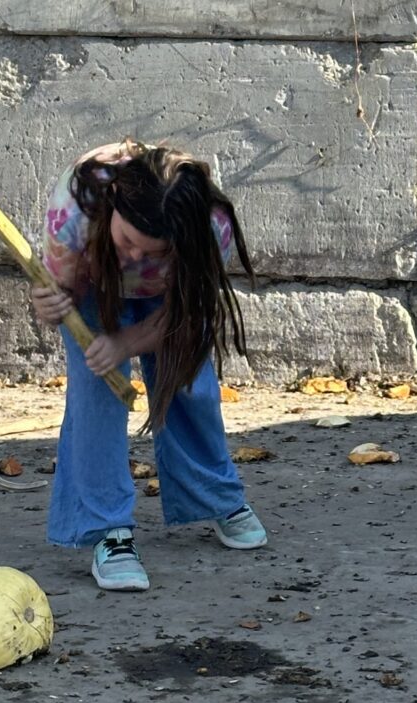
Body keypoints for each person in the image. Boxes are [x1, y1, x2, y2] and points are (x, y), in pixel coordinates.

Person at [30, 138, 267, 592]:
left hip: (171, 295)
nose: (136, 258)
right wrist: (49, 305)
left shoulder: (210, 227)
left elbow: (189, 314)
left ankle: (217, 496)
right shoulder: (75, 209)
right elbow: (61, 295)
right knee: (96, 396)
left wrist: (128, 342)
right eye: (128, 241)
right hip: (97, 288)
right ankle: (108, 530)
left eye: (154, 252)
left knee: (190, 385)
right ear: (113, 206)